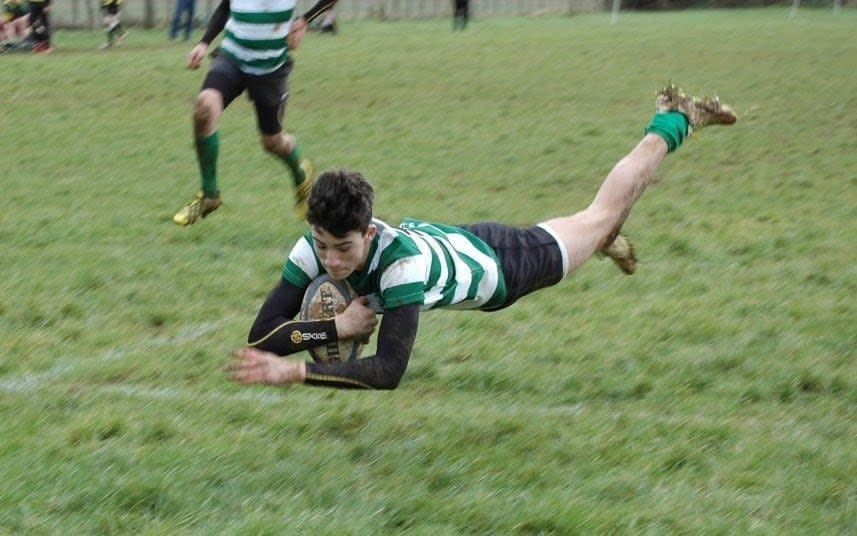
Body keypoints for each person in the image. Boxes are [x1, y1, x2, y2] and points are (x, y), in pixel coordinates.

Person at [227, 84, 737, 390]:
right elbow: (262, 335)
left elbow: (388, 371)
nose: (331, 261)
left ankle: (672, 119)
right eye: (322, 245)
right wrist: (332, 330)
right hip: (458, 242)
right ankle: (603, 238)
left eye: (344, 248)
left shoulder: (401, 266)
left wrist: (296, 372)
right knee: (596, 225)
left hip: (504, 264)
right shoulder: (313, 248)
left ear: (368, 229)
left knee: (600, 214)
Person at [172, 0, 339, 226]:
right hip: (232, 58)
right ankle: (210, 194)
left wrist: (305, 20)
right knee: (204, 107)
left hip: (269, 68)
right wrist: (203, 43)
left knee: (272, 142)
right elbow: (225, 7)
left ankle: (301, 176)